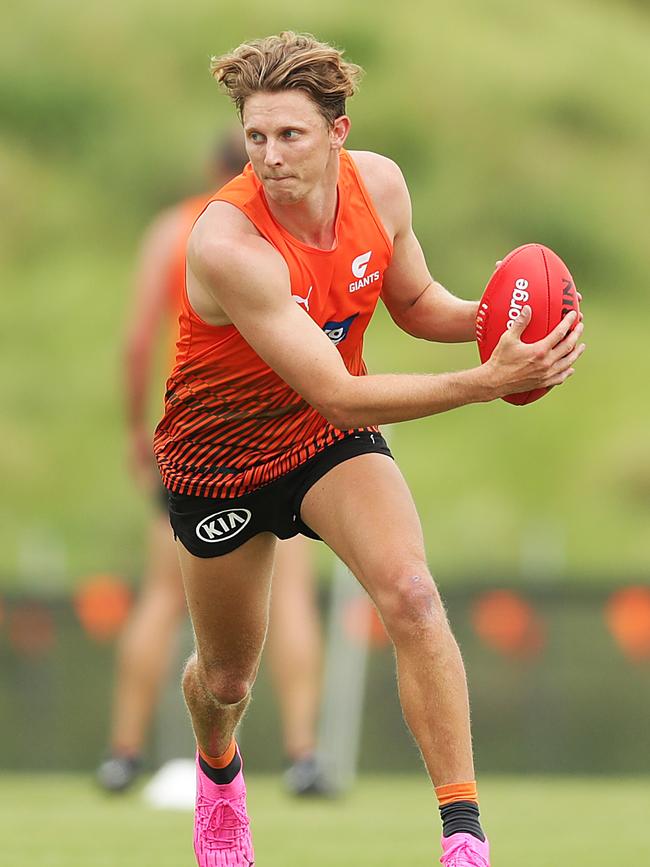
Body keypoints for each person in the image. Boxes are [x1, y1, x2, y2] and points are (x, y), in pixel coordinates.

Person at [153, 31, 585, 867]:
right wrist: (488, 380)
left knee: (415, 596)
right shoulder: (226, 241)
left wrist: (518, 316)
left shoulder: (379, 186)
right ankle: (218, 778)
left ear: (338, 132)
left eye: (291, 135)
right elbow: (339, 388)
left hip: (322, 442)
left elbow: (418, 301)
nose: (270, 156)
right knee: (227, 680)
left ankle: (464, 839)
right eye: (255, 136)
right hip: (220, 458)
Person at [97, 131, 330, 797]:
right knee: (289, 597)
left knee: (163, 596)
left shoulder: (176, 230)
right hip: (286, 427)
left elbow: (139, 340)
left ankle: (123, 751)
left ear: (211, 169)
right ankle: (304, 752)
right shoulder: (282, 231)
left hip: (198, 431)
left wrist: (134, 431)